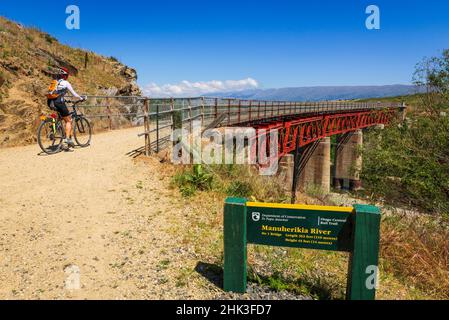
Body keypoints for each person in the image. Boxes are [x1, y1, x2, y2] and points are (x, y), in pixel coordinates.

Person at [47, 67, 85, 148]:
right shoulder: (66, 83)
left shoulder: (54, 82)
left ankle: (54, 130)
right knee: (69, 121)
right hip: (59, 102)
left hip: (50, 102)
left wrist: (65, 100)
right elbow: (74, 94)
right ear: (65, 76)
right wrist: (81, 98)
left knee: (61, 117)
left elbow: (55, 93)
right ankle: (67, 139)